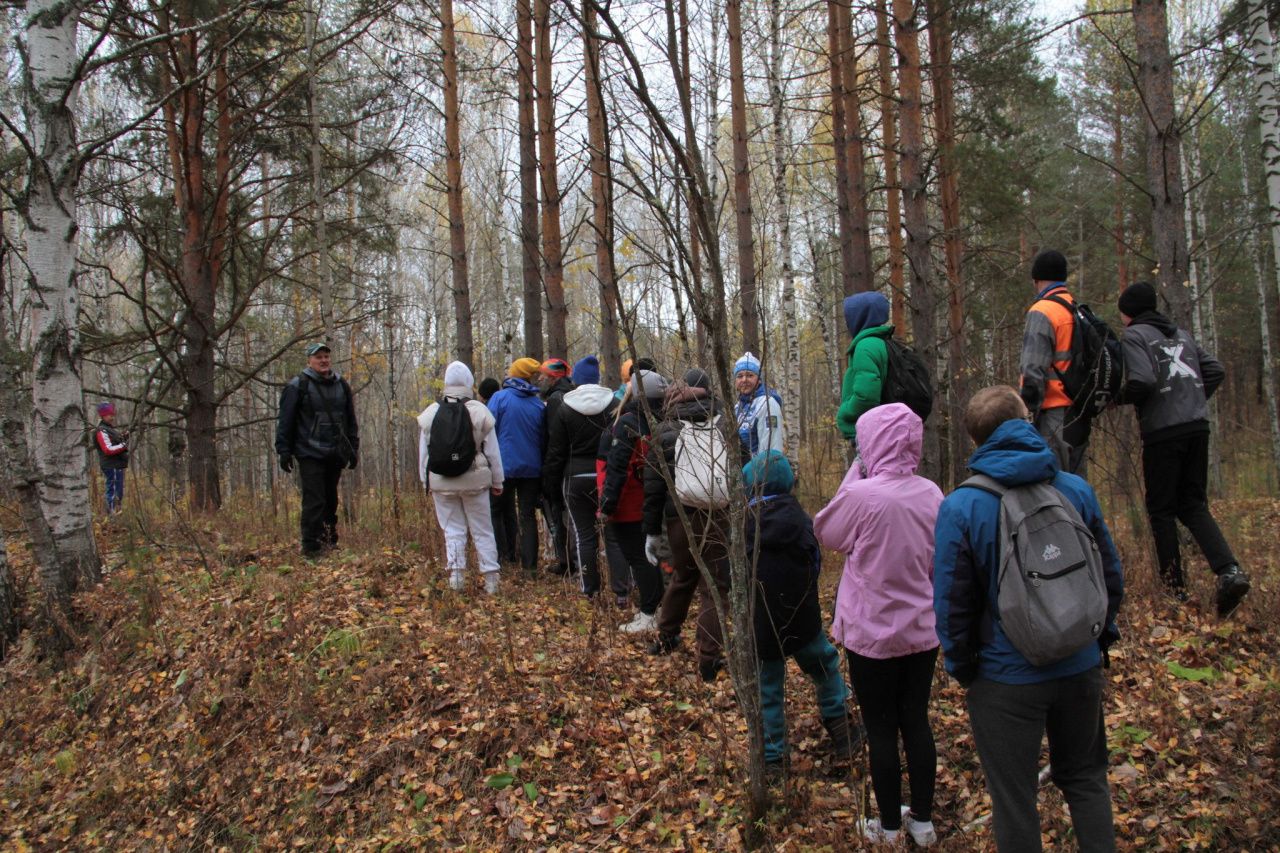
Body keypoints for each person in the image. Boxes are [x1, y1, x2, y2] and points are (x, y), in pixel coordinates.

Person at [933, 385, 1124, 853]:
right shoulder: (1074, 488)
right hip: (1080, 665)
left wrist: (964, 668)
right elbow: (1110, 574)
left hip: (1005, 680)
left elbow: (952, 602)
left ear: (976, 441)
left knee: (1015, 800)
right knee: (1086, 781)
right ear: (1025, 421)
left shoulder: (961, 506)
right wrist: (1098, 640)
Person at [815, 404, 942, 845]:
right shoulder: (931, 493)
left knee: (882, 727)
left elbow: (827, 532)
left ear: (869, 445)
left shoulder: (862, 494)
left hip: (871, 638)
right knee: (917, 722)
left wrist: (856, 471)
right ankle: (922, 823)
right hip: (922, 632)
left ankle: (888, 827)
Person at [1116, 281, 1250, 615]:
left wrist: (1113, 400)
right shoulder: (1181, 335)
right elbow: (1214, 370)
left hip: (1163, 433)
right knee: (1192, 505)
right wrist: (1190, 400)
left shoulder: (1135, 335)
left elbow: (1143, 381)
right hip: (1197, 427)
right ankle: (1229, 571)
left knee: (1161, 510)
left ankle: (1174, 591)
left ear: (1128, 311)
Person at [744, 450, 855, 781]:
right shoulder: (802, 520)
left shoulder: (744, 526)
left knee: (769, 689)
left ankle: (775, 759)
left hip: (762, 623)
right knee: (824, 666)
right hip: (802, 617)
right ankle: (841, 728)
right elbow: (815, 563)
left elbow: (734, 575)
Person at [644, 368, 732, 682]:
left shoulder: (666, 427)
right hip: (720, 513)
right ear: (708, 391)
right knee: (715, 589)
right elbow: (743, 467)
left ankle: (666, 638)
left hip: (678, 517)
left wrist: (651, 530)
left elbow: (653, 486)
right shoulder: (725, 422)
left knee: (683, 576)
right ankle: (708, 660)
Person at [417, 361, 504, 594]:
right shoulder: (479, 411)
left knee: (452, 530)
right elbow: (493, 452)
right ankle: (491, 581)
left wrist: (427, 483)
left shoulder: (430, 414)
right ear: (469, 383)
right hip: (475, 480)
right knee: (483, 529)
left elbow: (424, 455)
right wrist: (497, 481)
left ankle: (456, 579)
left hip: (441, 481)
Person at [543, 356, 622, 602]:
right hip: (606, 477)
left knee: (585, 535)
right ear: (597, 378)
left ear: (576, 379)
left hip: (574, 477)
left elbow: (556, 451)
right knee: (613, 534)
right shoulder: (615, 403)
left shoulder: (566, 407)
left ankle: (590, 589)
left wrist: (550, 484)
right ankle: (621, 591)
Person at [600, 369, 669, 633]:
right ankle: (656, 607)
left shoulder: (628, 421)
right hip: (651, 500)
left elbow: (617, 467)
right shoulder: (658, 420)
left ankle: (649, 612)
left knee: (639, 558)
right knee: (648, 556)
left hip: (629, 503)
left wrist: (607, 504)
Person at [275, 342, 359, 558]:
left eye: (326, 357)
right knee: (314, 501)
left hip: (335, 453)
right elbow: (286, 421)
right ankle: (311, 548)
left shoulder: (341, 385)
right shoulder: (298, 386)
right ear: (309, 361)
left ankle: (330, 543)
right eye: (318, 357)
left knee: (331, 500)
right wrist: (284, 450)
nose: (323, 360)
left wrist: (353, 447)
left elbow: (350, 419)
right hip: (309, 453)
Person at [1018, 249, 1089, 474]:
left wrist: (1027, 412)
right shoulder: (1077, 309)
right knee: (1078, 483)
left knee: (1055, 483)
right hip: (1079, 411)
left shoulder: (1042, 311)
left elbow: (1032, 369)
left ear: (1036, 280)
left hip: (1054, 413)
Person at [487, 357, 544, 573]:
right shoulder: (538, 404)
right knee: (527, 516)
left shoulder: (499, 399)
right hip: (531, 469)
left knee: (497, 511)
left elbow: (488, 431)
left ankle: (503, 557)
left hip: (504, 467)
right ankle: (530, 567)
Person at [836, 292, 893, 449]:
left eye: (850, 316)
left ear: (860, 316)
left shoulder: (865, 346)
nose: (848, 323)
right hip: (885, 431)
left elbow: (866, 396)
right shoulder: (881, 341)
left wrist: (844, 412)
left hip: (872, 436)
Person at [539, 358, 577, 576]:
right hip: (571, 464)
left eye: (542, 376)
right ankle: (571, 562)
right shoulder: (572, 393)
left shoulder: (555, 399)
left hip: (560, 466)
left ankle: (567, 564)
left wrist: (549, 473)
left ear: (553, 377)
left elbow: (554, 439)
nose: (539, 380)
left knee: (560, 512)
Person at [732, 352, 784, 462]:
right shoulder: (737, 407)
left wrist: (761, 477)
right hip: (742, 473)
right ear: (735, 381)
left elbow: (771, 449)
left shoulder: (768, 404)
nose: (744, 380)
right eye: (740, 376)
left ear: (759, 379)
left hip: (759, 474)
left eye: (750, 375)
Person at [93, 402, 129, 514]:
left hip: (117, 465)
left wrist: (123, 437)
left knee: (118, 492)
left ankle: (117, 513)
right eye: (110, 415)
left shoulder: (109, 429)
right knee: (113, 491)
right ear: (103, 415)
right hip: (110, 465)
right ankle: (111, 516)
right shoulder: (101, 431)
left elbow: (113, 442)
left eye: (113, 414)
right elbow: (107, 449)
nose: (112, 417)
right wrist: (123, 445)